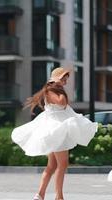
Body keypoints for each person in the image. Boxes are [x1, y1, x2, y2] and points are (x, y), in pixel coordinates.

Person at [11, 67, 98, 200]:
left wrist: (60, 88)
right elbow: (62, 103)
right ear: (57, 77)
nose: (65, 82)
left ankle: (40, 195)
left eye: (66, 79)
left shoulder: (54, 90)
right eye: (64, 79)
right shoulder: (51, 90)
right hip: (56, 132)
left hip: (57, 130)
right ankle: (59, 197)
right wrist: (60, 89)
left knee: (52, 166)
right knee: (62, 164)